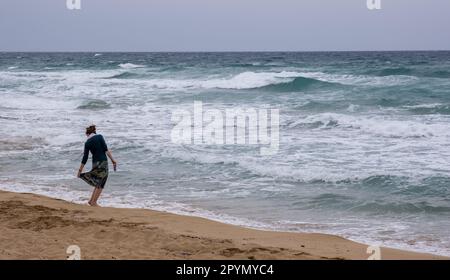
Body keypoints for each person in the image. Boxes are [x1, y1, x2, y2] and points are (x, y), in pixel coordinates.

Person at [77, 125, 117, 206]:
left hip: (95, 163)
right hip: (103, 162)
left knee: (98, 182)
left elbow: (85, 158)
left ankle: (91, 201)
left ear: (88, 134)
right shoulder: (99, 137)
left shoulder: (87, 142)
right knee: (101, 183)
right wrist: (113, 160)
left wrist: (80, 170)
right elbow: (106, 150)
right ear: (94, 132)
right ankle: (94, 202)